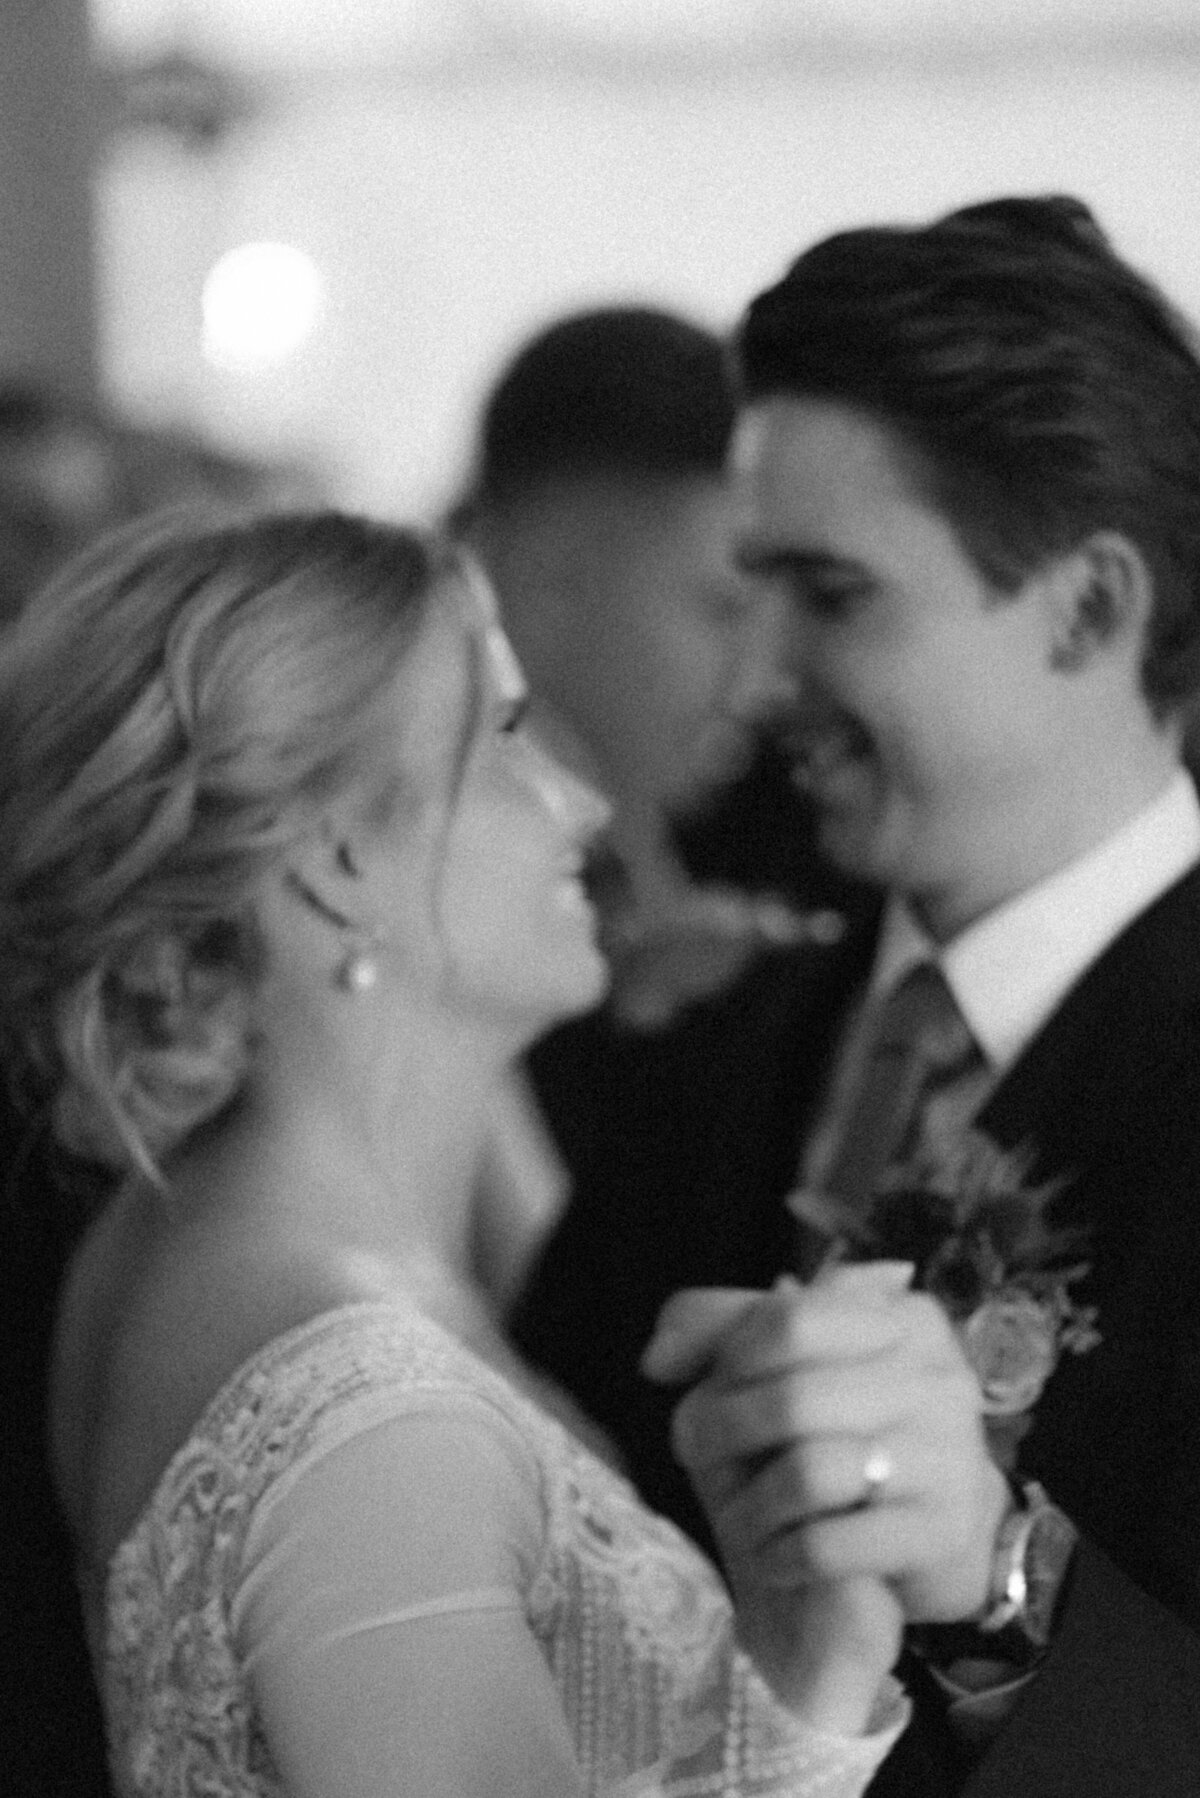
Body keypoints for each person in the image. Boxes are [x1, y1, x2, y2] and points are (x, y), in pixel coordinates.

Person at [0, 504, 1001, 1795]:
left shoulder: (190, 1222)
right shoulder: (364, 1421)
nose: (579, 801)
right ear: (334, 858)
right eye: (507, 739)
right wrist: (811, 1668)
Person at [706, 194, 1200, 1793]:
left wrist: (1002, 1585)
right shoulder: (718, 1036)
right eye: (750, 592)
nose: (751, 681)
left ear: (1092, 605)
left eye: (833, 595)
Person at [454, 307, 876, 1540]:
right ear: (547, 576)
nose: (764, 675)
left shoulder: (692, 848)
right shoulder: (430, 902)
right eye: (714, 604)